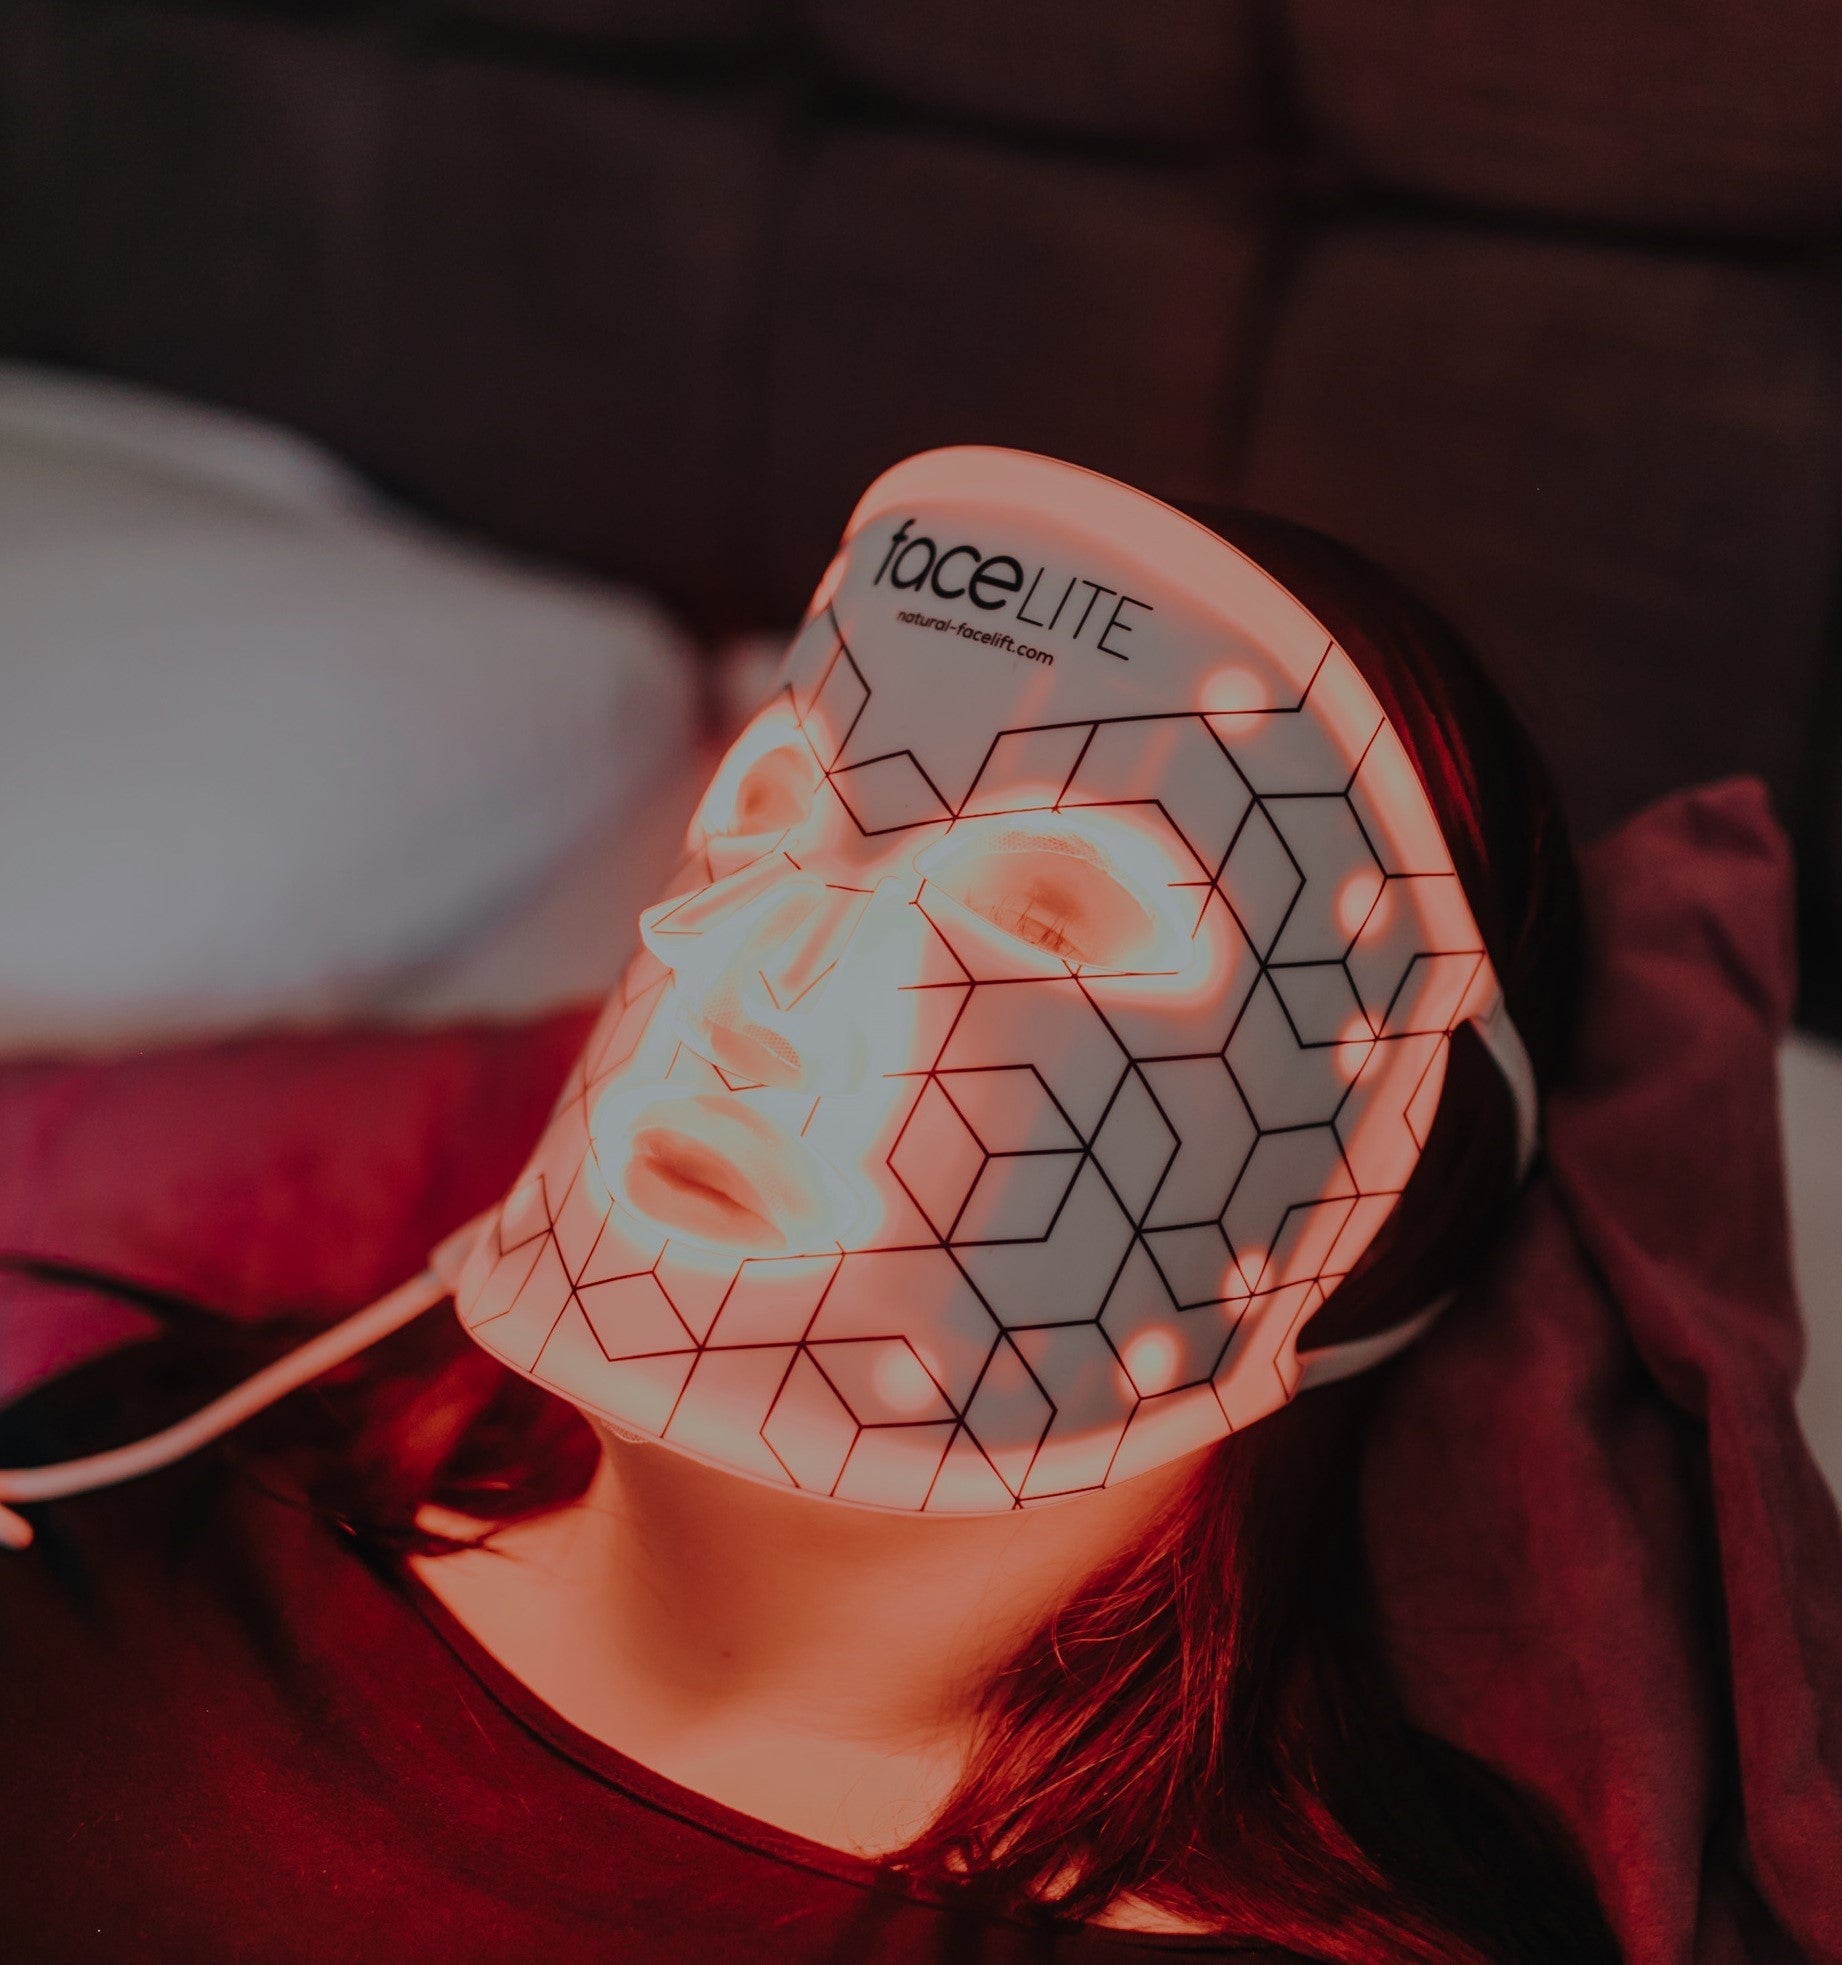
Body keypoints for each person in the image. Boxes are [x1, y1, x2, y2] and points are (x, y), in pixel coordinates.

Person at [0, 450, 1622, 1965]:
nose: (754, 982)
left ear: (1368, 1191)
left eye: (1042, 923)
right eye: (769, 824)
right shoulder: (158, 1469)